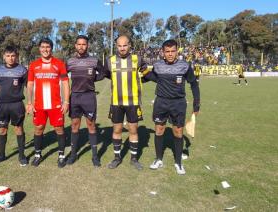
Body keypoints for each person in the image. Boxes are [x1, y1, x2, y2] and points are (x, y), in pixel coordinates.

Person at [143, 39, 200, 175]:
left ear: (177, 51)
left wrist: (196, 104)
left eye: (173, 51)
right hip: (161, 102)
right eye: (167, 51)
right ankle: (158, 159)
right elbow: (154, 78)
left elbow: (194, 84)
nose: (170, 54)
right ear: (163, 52)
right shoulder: (157, 65)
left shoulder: (185, 66)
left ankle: (178, 163)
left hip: (178, 103)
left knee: (178, 132)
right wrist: (137, 75)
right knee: (159, 130)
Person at [104, 35, 149, 170]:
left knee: (133, 129)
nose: (122, 48)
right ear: (116, 46)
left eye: (125, 45)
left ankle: (134, 159)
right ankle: (117, 158)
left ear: (129, 45)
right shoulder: (110, 60)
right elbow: (106, 74)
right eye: (119, 45)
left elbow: (146, 72)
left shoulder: (137, 59)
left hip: (133, 101)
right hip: (116, 102)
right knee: (117, 129)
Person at [26, 38, 70, 168]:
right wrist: (29, 102)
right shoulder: (33, 65)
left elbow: (66, 83)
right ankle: (38, 155)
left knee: (59, 128)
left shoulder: (59, 64)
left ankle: (61, 156)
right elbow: (30, 84)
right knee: (39, 128)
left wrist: (66, 101)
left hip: (55, 104)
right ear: (39, 49)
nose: (45, 49)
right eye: (43, 47)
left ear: (51, 48)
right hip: (39, 105)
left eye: (48, 47)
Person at [65, 35, 106, 167]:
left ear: (87, 46)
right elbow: (63, 76)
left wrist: (93, 78)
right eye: (79, 44)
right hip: (75, 97)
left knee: (91, 125)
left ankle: (95, 156)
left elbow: (103, 72)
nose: (81, 46)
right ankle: (73, 154)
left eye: (84, 44)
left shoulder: (94, 60)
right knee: (75, 125)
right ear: (75, 46)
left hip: (89, 96)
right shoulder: (70, 61)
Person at [0, 46, 28, 166]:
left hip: (17, 105)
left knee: (18, 129)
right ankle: (1, 155)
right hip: (2, 105)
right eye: (8, 56)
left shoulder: (22, 70)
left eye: (13, 56)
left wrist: (31, 101)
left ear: (17, 56)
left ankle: (21, 156)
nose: (11, 58)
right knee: (2, 129)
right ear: (4, 56)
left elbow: (29, 86)